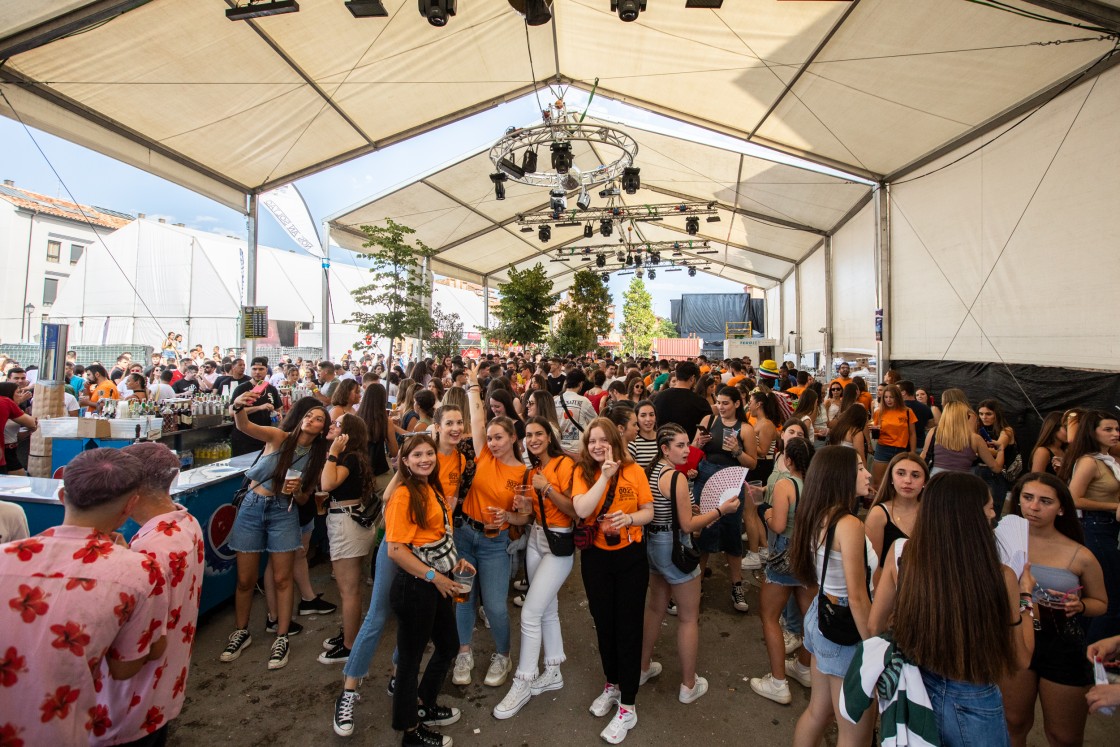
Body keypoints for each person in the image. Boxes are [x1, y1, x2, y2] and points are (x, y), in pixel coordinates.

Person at [0, 449, 168, 746]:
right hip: (62, 730)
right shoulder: (138, 571)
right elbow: (124, 666)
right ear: (130, 506)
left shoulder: (5, 556)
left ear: (62, 496)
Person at [863, 472, 1034, 747]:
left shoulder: (903, 555)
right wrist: (1026, 597)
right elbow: (1020, 658)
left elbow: (875, 626)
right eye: (990, 507)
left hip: (914, 688)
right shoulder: (1001, 577)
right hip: (974, 696)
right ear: (971, 515)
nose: (994, 514)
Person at [98, 441, 205, 746]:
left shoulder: (149, 551)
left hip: (131, 702)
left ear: (133, 487)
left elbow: (133, 647)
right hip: (163, 687)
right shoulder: (186, 520)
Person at [221, 390, 329, 670]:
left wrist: (298, 491)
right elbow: (245, 426)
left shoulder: (317, 458)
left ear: (322, 429)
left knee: (283, 578)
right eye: (308, 415)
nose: (311, 420)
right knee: (245, 580)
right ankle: (241, 631)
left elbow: (305, 498)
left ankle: (281, 637)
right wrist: (238, 407)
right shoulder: (279, 437)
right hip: (252, 507)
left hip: (284, 511)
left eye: (318, 419)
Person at [382, 433, 474, 747]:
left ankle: (424, 705)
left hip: (436, 584)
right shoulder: (404, 495)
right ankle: (409, 732)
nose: (425, 459)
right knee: (409, 661)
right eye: (417, 455)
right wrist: (436, 576)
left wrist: (455, 560)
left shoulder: (430, 487)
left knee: (448, 646)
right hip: (415, 588)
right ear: (404, 462)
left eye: (429, 454)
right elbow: (396, 550)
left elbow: (434, 536)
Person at [1002, 473, 1107, 747]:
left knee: (1063, 736)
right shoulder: (999, 540)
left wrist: (1080, 605)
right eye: (1027, 498)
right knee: (1012, 722)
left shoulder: (1079, 553)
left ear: (1061, 508)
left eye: (1045, 501)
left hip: (1062, 645)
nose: (1034, 507)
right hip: (1013, 638)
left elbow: (1101, 603)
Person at [642, 424, 738, 707]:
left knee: (655, 607)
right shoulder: (676, 478)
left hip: (653, 546)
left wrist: (689, 510)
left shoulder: (651, 471)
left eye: (687, 444)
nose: (687, 450)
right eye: (681, 445)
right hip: (675, 549)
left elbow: (665, 509)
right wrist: (721, 510)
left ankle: (642, 667)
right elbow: (687, 525)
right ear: (665, 448)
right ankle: (688, 684)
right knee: (687, 617)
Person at [572, 416, 655, 744]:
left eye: (602, 440)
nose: (596, 445)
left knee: (628, 629)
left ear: (615, 442)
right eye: (592, 441)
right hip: (595, 559)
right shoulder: (584, 472)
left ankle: (628, 705)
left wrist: (630, 517)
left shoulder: (634, 471)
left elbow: (648, 510)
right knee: (603, 624)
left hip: (631, 559)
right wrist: (604, 478)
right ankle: (612, 684)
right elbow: (581, 509)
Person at [789, 446, 877, 747]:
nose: (868, 473)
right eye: (861, 467)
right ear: (842, 476)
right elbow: (858, 598)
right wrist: (874, 650)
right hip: (845, 631)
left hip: (821, 615)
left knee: (818, 712)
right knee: (855, 734)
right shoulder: (849, 524)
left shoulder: (817, 514)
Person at [492, 417, 579, 719]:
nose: (532, 439)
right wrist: (514, 510)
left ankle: (523, 681)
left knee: (529, 612)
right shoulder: (532, 471)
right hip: (536, 540)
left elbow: (574, 510)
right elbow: (529, 517)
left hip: (559, 543)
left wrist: (548, 490)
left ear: (549, 436)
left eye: (538, 434)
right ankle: (553, 670)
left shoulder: (565, 465)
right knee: (547, 609)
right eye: (528, 435)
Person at [451, 362, 528, 688]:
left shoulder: (523, 474)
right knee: (464, 597)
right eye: (491, 438)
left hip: (495, 543)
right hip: (465, 535)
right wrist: (471, 387)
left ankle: (503, 654)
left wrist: (510, 517)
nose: (493, 442)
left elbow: (526, 518)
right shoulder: (483, 455)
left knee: (496, 605)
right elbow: (479, 419)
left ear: (513, 438)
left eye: (500, 438)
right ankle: (464, 651)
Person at [750, 436, 815, 705]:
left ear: (787, 459)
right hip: (808, 553)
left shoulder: (786, 483)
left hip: (784, 554)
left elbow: (777, 525)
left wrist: (763, 511)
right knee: (810, 618)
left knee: (769, 617)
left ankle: (778, 682)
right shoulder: (814, 484)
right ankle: (804, 668)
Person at [317, 413, 377, 665]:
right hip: (348, 522)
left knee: (349, 590)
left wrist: (332, 452)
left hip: (346, 524)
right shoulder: (354, 457)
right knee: (351, 587)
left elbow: (328, 483)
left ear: (348, 433)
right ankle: (350, 633)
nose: (332, 425)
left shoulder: (348, 457)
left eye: (338, 424)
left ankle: (351, 646)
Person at [693, 386, 758, 612]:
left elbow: (753, 464)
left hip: (732, 483)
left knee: (731, 534)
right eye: (718, 402)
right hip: (705, 479)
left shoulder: (746, 429)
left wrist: (738, 451)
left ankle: (736, 585)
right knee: (703, 532)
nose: (720, 407)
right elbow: (692, 451)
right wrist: (698, 444)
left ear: (737, 404)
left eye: (725, 403)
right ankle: (697, 584)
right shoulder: (709, 420)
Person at [1061, 410, 1120, 643]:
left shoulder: (1108, 460)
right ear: (1092, 433)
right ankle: (1092, 653)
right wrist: (1112, 505)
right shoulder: (1089, 461)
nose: (1115, 434)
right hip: (1095, 528)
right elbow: (1073, 498)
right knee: (1110, 595)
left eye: (1117, 429)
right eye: (1108, 429)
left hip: (1107, 529)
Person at [921, 401, 1005, 476]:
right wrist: (1001, 449)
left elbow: (924, 457)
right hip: (963, 482)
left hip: (936, 479)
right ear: (965, 417)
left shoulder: (934, 432)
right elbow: (996, 468)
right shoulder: (975, 438)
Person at [230, 358, 284, 457]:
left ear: (266, 370)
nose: (257, 372)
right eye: (254, 369)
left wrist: (278, 415)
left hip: (265, 438)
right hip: (245, 439)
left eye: (261, 369)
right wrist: (259, 408)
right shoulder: (242, 388)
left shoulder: (271, 389)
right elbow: (232, 412)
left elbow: (278, 409)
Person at [870, 384, 918, 491]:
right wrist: (875, 431)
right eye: (886, 397)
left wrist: (913, 452)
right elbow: (876, 433)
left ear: (897, 397)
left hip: (901, 450)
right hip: (883, 448)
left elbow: (912, 433)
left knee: (899, 483)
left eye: (891, 397)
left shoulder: (907, 411)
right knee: (877, 482)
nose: (888, 400)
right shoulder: (879, 412)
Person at [653, 361, 712, 441]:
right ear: (692, 378)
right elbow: (707, 429)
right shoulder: (701, 402)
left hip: (663, 445)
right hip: (689, 448)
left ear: (676, 376)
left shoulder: (659, 397)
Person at [555, 369, 595, 454]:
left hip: (560, 447)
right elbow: (595, 421)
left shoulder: (555, 400)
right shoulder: (584, 401)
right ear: (580, 384)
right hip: (578, 448)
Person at [628, 400, 658, 469]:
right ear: (636, 419)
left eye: (651, 415)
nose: (648, 419)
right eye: (643, 415)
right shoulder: (633, 443)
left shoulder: (663, 439)